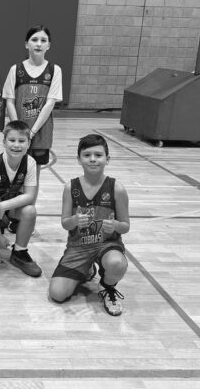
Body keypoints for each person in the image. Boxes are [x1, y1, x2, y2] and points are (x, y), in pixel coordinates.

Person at [49, 134, 130, 316]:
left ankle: (106, 287)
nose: (93, 159)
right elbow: (65, 224)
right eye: (87, 155)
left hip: (107, 245)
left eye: (98, 155)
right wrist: (74, 220)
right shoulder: (71, 188)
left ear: (107, 159)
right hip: (78, 247)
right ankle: (87, 270)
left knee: (117, 263)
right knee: (57, 294)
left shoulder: (117, 188)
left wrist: (115, 225)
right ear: (79, 159)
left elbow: (125, 226)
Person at [2, 25, 63, 197]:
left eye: (43, 40)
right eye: (34, 39)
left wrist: (32, 131)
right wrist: (19, 130)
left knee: (33, 177)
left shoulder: (54, 70)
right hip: (19, 133)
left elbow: (50, 103)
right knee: (14, 174)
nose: (38, 43)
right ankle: (13, 210)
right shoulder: (16, 69)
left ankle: (29, 210)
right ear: (26, 44)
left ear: (49, 45)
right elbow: (10, 101)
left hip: (41, 133)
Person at [0, 120, 42, 277]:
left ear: (28, 144)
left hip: (5, 209)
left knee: (30, 211)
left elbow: (30, 196)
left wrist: (4, 205)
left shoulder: (30, 162)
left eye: (21, 141)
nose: (16, 145)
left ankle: (19, 252)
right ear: (4, 142)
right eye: (12, 140)